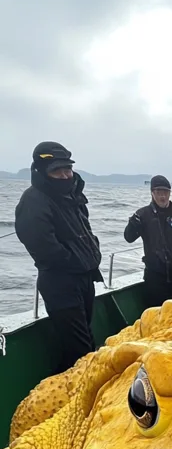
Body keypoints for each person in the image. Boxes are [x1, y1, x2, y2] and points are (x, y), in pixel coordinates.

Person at [14, 141, 102, 373]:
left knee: (84, 343)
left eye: (68, 169)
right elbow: (42, 247)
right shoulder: (34, 200)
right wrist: (77, 261)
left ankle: (70, 393)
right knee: (81, 352)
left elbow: (86, 232)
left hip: (84, 279)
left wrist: (94, 253)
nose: (64, 175)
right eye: (56, 170)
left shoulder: (72, 197)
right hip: (60, 283)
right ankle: (75, 402)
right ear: (41, 172)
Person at [124, 176, 172, 307]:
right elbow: (129, 238)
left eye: (166, 192)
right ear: (152, 193)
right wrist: (133, 225)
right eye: (159, 192)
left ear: (170, 193)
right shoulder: (142, 215)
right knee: (156, 313)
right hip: (155, 276)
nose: (163, 196)